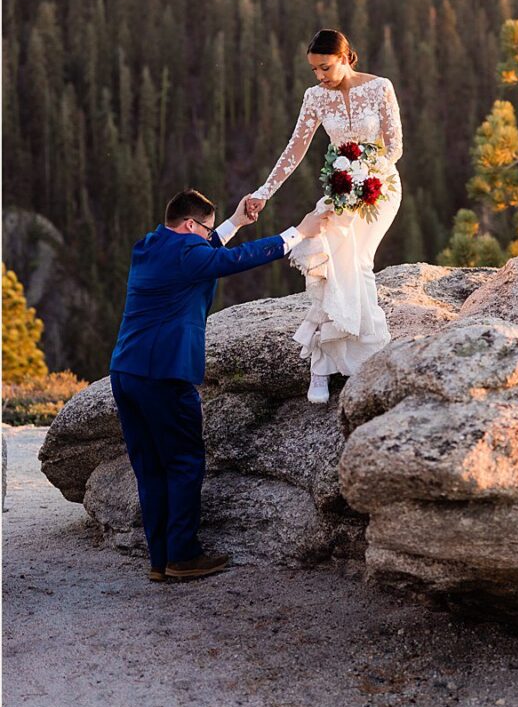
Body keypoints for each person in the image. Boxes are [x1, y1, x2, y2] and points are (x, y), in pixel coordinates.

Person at [107, 187, 326, 582]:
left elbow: (202, 254)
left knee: (150, 468)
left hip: (126, 372)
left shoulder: (150, 245)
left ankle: (161, 559)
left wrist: (236, 221)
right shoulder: (189, 253)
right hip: (165, 374)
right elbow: (231, 260)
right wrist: (299, 233)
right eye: (206, 229)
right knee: (185, 462)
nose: (210, 235)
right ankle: (183, 556)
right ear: (191, 225)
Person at [249, 29, 405, 403]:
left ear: (345, 57)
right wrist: (263, 192)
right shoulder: (315, 97)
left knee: (359, 262)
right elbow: (295, 149)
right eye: (314, 69)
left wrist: (368, 171)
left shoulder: (380, 87)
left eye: (325, 67)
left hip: (380, 186)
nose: (319, 75)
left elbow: (395, 146)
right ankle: (321, 365)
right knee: (327, 260)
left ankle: (368, 357)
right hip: (340, 189)